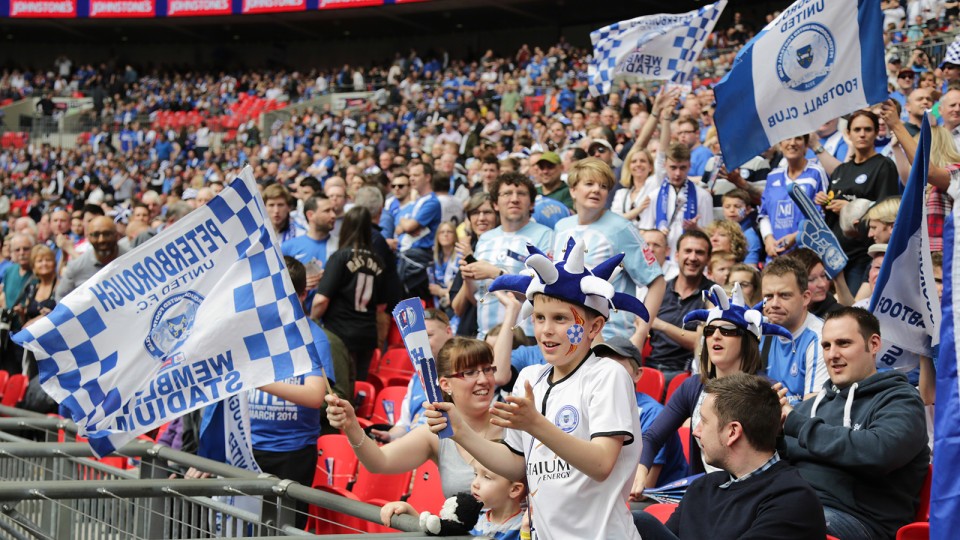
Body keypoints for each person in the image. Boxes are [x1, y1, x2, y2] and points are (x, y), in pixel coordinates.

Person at [426, 238, 651, 539]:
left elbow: (600, 464)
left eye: (560, 319)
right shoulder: (530, 378)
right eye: (540, 317)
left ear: (594, 328)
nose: (546, 329)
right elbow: (515, 465)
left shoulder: (608, 375)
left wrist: (536, 424)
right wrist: (460, 431)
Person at [778, 307, 929, 540]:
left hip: (860, 521)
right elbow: (780, 463)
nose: (832, 354)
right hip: (798, 503)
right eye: (826, 346)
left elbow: (879, 452)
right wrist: (772, 431)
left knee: (782, 523)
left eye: (843, 343)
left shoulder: (901, 401)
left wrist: (797, 425)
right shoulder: (811, 407)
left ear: (874, 344)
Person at [634, 284, 792, 497]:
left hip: (754, 495)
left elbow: (787, 451)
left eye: (727, 331)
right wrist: (641, 471)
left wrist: (782, 426)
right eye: (709, 331)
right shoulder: (693, 386)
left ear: (747, 340)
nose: (716, 336)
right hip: (706, 493)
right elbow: (653, 436)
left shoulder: (767, 390)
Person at [633, 373, 826, 540]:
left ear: (732, 432)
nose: (695, 431)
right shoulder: (702, 487)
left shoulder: (792, 501)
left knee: (640, 522)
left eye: (704, 422)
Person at [326, 337, 503, 508]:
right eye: (470, 372)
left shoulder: (512, 424)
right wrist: (351, 426)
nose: (484, 379)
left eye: (488, 369)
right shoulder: (436, 432)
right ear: (445, 384)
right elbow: (379, 461)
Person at [248, 256, 334, 529]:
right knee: (244, 526)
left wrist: (260, 382)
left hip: (291, 453)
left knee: (282, 527)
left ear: (302, 295)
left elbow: (314, 396)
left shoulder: (314, 337)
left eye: (285, 296)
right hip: (248, 448)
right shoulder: (252, 332)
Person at [554, 158, 665, 342]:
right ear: (573, 190)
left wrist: (640, 334)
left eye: (603, 186)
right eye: (589, 183)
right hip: (567, 336)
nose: (597, 189)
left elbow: (657, 282)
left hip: (610, 336)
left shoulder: (620, 227)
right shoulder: (561, 227)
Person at [460, 172, 553, 339]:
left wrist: (497, 274)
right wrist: (468, 278)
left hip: (527, 337)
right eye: (507, 193)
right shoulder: (485, 239)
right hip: (486, 336)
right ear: (496, 204)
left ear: (531, 204)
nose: (514, 199)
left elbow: (546, 292)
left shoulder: (545, 236)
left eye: (521, 194)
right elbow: (477, 298)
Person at [815, 111, 899, 292]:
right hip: (834, 255)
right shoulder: (841, 170)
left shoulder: (884, 165)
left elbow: (887, 210)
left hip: (863, 254)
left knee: (853, 309)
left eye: (868, 129)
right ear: (848, 134)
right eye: (857, 129)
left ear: (876, 133)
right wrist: (825, 201)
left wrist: (850, 208)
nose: (862, 134)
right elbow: (833, 204)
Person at [596, 336, 687, 489]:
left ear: (637, 374)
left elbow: (642, 487)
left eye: (617, 368)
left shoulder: (652, 414)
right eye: (602, 366)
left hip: (659, 498)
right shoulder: (594, 407)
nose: (608, 374)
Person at [313, 207, 387, 385]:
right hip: (367, 335)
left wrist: (312, 320)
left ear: (345, 227)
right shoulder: (379, 261)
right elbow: (381, 306)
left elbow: (321, 300)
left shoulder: (339, 257)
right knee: (359, 387)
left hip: (340, 334)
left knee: (341, 390)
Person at [645, 231, 714, 383]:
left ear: (708, 259)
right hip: (650, 367)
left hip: (686, 373)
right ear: (677, 255)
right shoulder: (660, 289)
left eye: (700, 253)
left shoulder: (713, 295)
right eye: (688, 251)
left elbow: (702, 341)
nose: (693, 258)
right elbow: (641, 327)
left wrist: (661, 325)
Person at [760, 257, 827, 404]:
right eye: (768, 296)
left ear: (805, 298)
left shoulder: (820, 338)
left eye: (784, 295)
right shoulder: (759, 330)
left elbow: (813, 409)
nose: (774, 304)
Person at [759, 135, 829, 259]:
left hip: (807, 253)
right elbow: (764, 214)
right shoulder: (772, 176)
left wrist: (797, 236)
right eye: (787, 138)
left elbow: (823, 216)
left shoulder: (816, 173)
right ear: (780, 145)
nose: (792, 143)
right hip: (777, 254)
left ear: (806, 145)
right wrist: (768, 238)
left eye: (798, 138)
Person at [639, 144, 713, 259]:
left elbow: (710, 236)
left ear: (689, 166)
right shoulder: (654, 196)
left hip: (691, 260)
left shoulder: (703, 196)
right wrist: (658, 235)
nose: (677, 173)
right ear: (665, 166)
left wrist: (696, 229)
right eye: (673, 167)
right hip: (661, 262)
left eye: (682, 168)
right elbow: (644, 232)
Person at [451, 192, 498, 338]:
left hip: (494, 332)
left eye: (487, 212)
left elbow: (482, 300)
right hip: (467, 331)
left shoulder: (501, 249)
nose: (481, 218)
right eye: (475, 213)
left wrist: (472, 260)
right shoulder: (468, 249)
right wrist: (470, 265)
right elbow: (457, 307)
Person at [55, 216, 126, 301]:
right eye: (95, 235)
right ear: (88, 237)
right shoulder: (76, 267)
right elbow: (61, 299)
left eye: (107, 234)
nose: (101, 240)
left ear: (116, 235)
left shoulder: (132, 258)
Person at [612, 145, 657, 226]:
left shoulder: (654, 186)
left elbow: (661, 156)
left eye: (642, 161)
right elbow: (614, 221)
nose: (638, 164)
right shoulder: (621, 194)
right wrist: (638, 210)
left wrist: (626, 216)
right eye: (634, 161)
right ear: (629, 167)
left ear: (650, 167)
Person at [16, 245, 57, 329]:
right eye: (40, 261)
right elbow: (26, 322)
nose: (44, 263)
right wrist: (21, 314)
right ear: (34, 266)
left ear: (54, 263)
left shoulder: (60, 286)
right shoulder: (31, 288)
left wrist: (47, 316)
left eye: (48, 260)